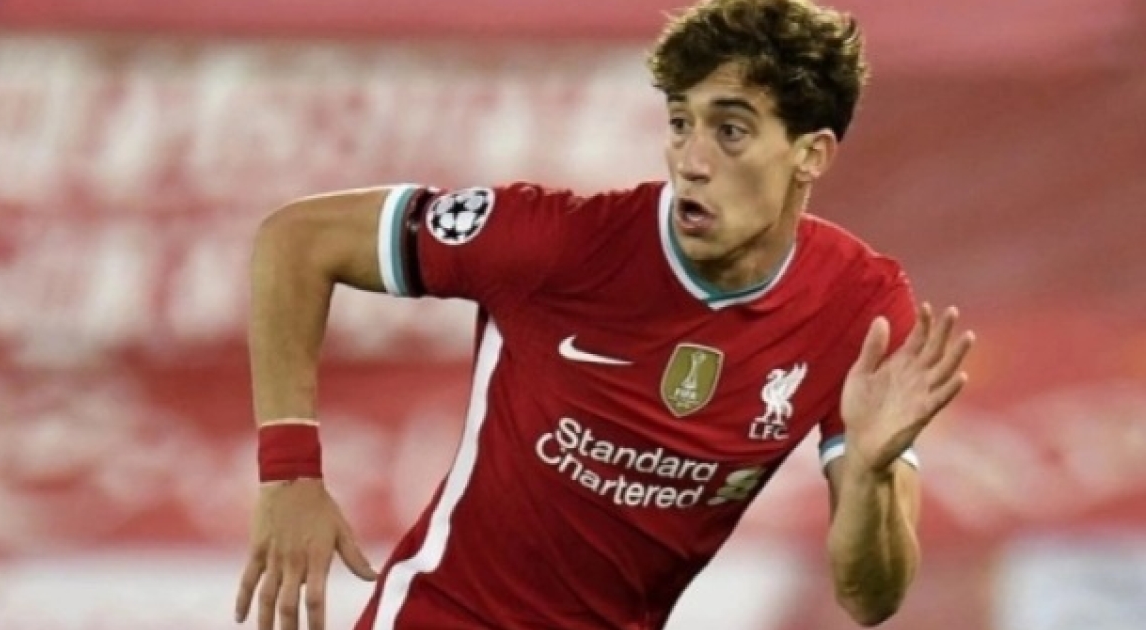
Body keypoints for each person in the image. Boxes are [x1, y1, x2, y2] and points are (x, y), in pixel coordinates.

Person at [234, 0, 976, 628]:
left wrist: (871, 473)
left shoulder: (861, 308)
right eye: (680, 122)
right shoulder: (558, 245)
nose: (691, 160)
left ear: (811, 154)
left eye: (731, 130)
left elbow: (869, 599)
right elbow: (296, 241)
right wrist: (290, 473)